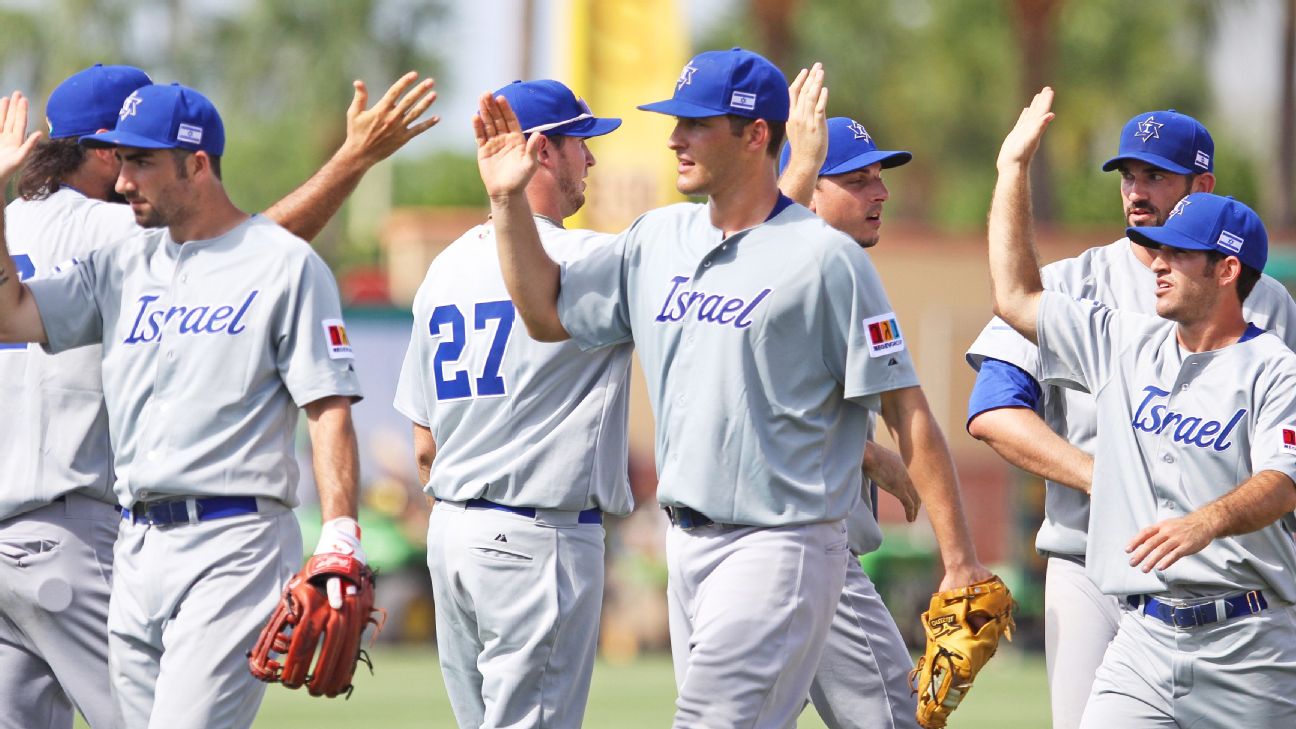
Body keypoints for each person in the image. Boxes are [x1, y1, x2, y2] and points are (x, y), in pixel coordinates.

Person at [475, 47, 990, 728]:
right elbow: (544, 313)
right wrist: (508, 200)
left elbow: (906, 408)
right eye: (677, 121)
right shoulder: (656, 238)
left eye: (697, 124)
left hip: (781, 544)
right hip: (686, 549)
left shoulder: (827, 259)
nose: (674, 138)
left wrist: (960, 562)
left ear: (755, 136)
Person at [0, 65, 437, 729]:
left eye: (139, 158)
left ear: (194, 163)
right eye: (119, 155)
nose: (124, 179)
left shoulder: (27, 224)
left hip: (212, 538)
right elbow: (243, 249)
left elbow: (258, 277)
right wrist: (352, 161)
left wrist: (341, 533)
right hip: (111, 538)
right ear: (93, 151)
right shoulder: (119, 247)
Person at [965, 104, 1296, 727]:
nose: (1137, 192)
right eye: (1128, 175)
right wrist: (1109, 479)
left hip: (1235, 589)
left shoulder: (1269, 309)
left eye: (1157, 176)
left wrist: (1212, 519)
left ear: (1202, 187)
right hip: (1091, 560)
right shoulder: (1088, 293)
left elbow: (1286, 465)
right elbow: (993, 404)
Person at [393, 79, 632, 729]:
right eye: (583, 142)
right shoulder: (592, 258)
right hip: (535, 534)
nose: (593, 159)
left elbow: (423, 445)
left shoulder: (441, 269)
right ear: (543, 152)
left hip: (453, 535)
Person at [775, 77, 926, 729]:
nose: (881, 191)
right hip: (805, 546)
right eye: (859, 179)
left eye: (879, 176)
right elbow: (771, 406)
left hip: (759, 551)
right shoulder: (810, 276)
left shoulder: (821, 269)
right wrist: (874, 455)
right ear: (810, 188)